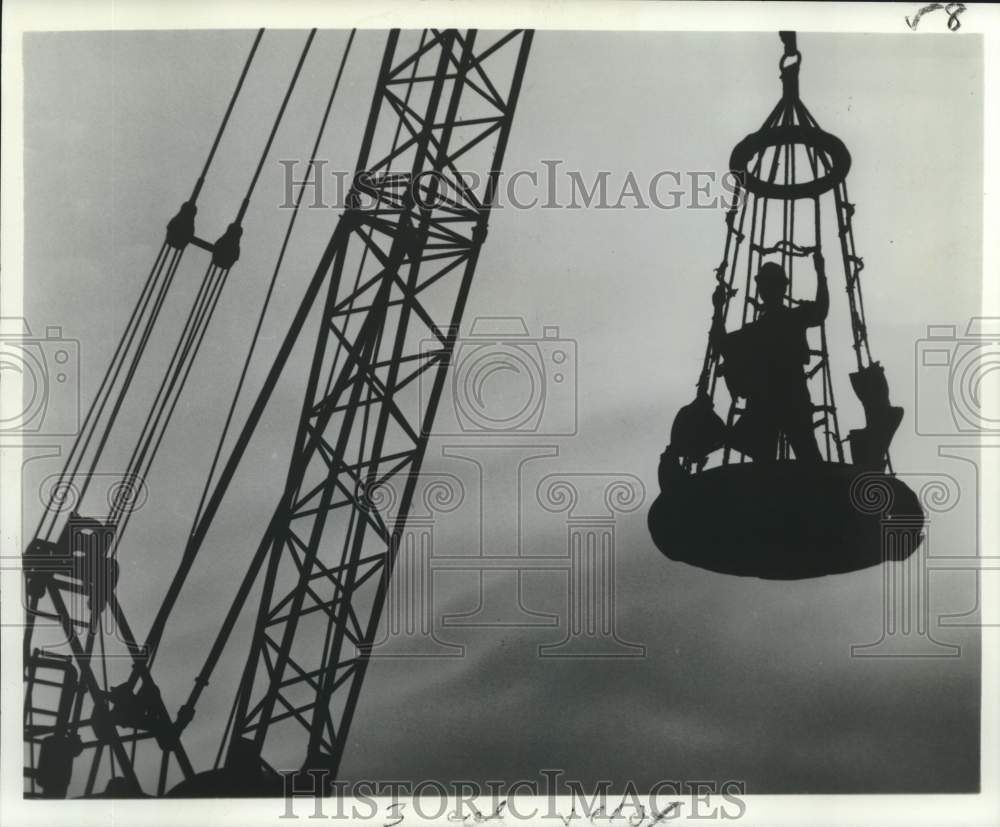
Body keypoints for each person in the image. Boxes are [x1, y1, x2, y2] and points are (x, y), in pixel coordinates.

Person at [710, 252, 828, 462]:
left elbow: (722, 344)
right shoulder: (792, 318)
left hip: (769, 402)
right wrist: (820, 273)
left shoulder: (759, 329)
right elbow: (820, 310)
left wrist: (719, 308)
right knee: (806, 458)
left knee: (767, 463)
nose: (766, 291)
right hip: (790, 398)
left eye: (768, 286)